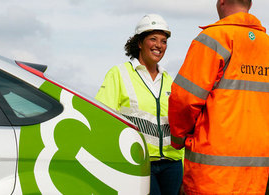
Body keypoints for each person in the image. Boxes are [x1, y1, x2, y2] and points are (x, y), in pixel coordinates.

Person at [169, 0, 269, 194]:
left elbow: (184, 99)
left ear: (221, 1)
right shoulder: (266, 45)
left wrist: (178, 138)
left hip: (212, 174)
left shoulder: (213, 38)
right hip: (256, 175)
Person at [96, 14, 184, 195]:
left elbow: (177, 125)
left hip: (172, 165)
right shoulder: (118, 74)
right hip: (138, 161)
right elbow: (102, 118)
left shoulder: (169, 81)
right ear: (139, 43)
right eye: (153, 39)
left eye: (164, 41)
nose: (159, 45)